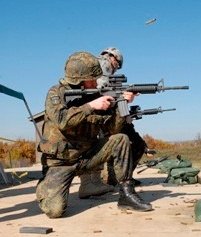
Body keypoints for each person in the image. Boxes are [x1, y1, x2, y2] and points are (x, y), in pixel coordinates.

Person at [36, 51, 153, 218]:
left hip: (87, 158)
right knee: (54, 211)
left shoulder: (96, 95)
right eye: (92, 78)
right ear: (79, 79)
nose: (96, 81)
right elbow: (62, 121)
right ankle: (46, 185)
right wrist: (91, 106)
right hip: (61, 163)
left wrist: (122, 104)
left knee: (120, 139)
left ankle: (126, 194)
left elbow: (111, 130)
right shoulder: (56, 93)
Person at [78, 47, 155, 198]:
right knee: (99, 142)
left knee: (104, 141)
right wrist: (119, 98)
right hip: (93, 114)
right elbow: (100, 90)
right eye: (117, 65)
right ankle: (90, 183)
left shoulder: (95, 66)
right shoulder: (102, 65)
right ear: (113, 58)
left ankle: (97, 182)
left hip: (94, 113)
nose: (115, 69)